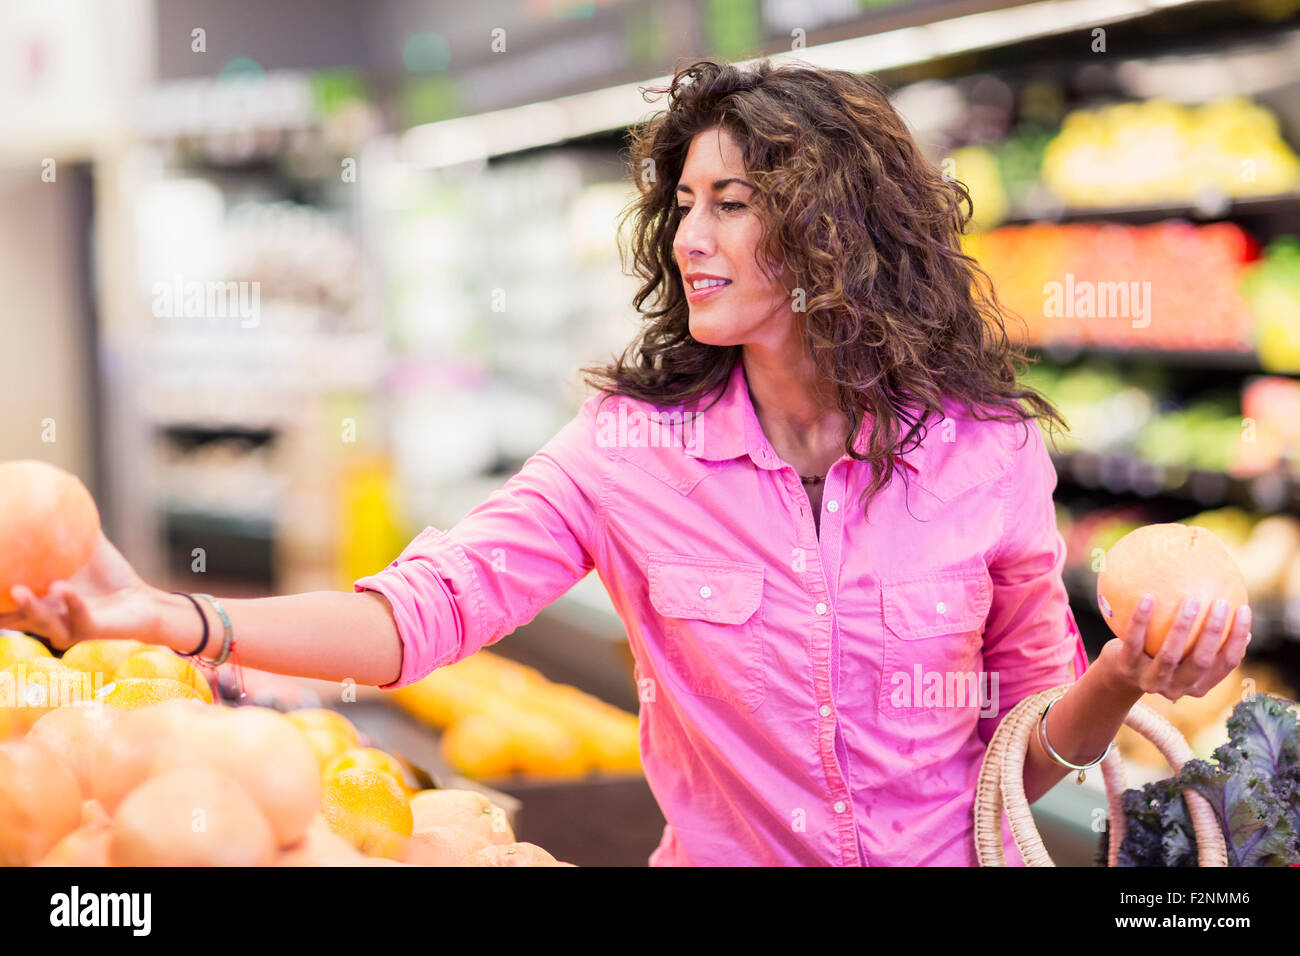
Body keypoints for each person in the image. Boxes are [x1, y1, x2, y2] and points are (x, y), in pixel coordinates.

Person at [2, 57, 1251, 866]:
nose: (688, 235)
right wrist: (175, 618)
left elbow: (1030, 746)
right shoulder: (629, 450)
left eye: (732, 202)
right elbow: (418, 616)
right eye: (682, 204)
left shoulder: (986, 455)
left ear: (835, 226)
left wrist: (1126, 675)